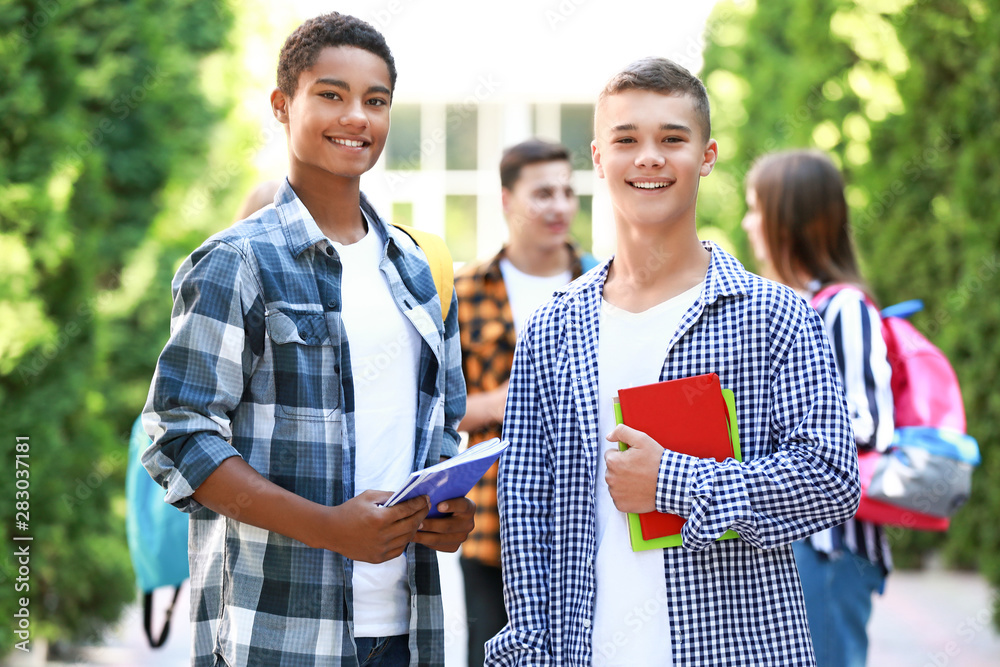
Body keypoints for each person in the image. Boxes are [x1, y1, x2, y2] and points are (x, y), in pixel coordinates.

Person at [485, 57, 860, 666]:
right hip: (588, 652)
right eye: (626, 139)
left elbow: (830, 482)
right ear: (598, 158)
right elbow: (529, 511)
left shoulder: (776, 316)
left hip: (736, 653)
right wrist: (527, 651)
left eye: (672, 139)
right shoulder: (553, 329)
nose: (649, 157)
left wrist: (672, 482)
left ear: (707, 156)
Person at [141, 12, 474, 667]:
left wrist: (446, 516)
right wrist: (329, 528)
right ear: (281, 104)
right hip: (277, 634)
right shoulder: (236, 261)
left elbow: (442, 428)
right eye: (331, 94)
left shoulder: (419, 268)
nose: (356, 116)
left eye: (375, 101)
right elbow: (179, 438)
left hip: (407, 629)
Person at [743, 149, 894, 667]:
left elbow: (870, 424)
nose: (748, 224)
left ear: (790, 221)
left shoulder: (842, 307)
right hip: (791, 538)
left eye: (756, 209)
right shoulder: (783, 305)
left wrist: (771, 436)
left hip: (831, 545)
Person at [455, 138, 598, 666]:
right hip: (492, 526)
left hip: (589, 522)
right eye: (542, 194)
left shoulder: (607, 286)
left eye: (567, 191)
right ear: (506, 200)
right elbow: (436, 411)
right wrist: (504, 402)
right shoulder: (463, 289)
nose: (559, 206)